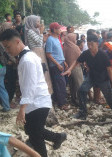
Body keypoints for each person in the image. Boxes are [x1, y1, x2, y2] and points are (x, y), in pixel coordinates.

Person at [0, 29, 67, 157]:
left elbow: (29, 87)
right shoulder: (27, 57)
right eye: (5, 48)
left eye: (8, 47)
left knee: (35, 135)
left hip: (38, 102)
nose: (7, 51)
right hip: (35, 101)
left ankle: (50, 146)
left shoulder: (27, 60)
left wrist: (22, 109)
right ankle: (58, 137)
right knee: (31, 130)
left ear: (17, 41)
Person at [62, 34, 112, 120]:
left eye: (92, 44)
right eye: (88, 44)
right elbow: (76, 61)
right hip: (92, 76)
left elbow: (109, 69)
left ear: (96, 43)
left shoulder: (103, 54)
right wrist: (69, 69)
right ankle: (82, 113)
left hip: (103, 78)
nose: (90, 46)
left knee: (108, 97)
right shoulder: (86, 53)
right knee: (81, 90)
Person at [24, 15, 53, 94]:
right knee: (39, 72)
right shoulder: (30, 31)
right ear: (32, 22)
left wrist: (45, 36)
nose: (39, 23)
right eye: (37, 21)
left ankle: (46, 92)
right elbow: (38, 42)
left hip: (40, 51)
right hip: (36, 52)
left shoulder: (35, 30)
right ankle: (39, 93)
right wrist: (41, 32)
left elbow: (41, 42)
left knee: (44, 71)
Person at [46, 22, 68, 110]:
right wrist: (58, 64)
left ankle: (60, 101)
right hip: (55, 65)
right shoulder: (50, 39)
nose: (60, 30)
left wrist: (64, 62)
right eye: (59, 28)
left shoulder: (57, 38)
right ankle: (61, 103)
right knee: (59, 84)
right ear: (54, 30)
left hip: (61, 63)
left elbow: (59, 52)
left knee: (62, 83)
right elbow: (48, 54)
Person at [63, 33, 83, 106]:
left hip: (68, 69)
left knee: (72, 85)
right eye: (74, 38)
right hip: (76, 67)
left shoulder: (65, 46)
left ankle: (74, 100)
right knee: (79, 84)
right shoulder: (75, 47)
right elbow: (80, 57)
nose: (75, 39)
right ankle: (80, 101)